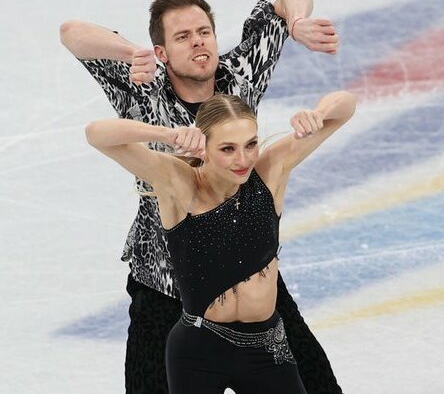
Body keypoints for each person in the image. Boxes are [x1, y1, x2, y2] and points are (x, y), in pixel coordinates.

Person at [60, 0, 343, 394]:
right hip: (165, 287)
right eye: (182, 37)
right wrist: (130, 53)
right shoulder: (143, 84)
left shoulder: (240, 74)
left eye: (203, 32)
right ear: (162, 53)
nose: (198, 43)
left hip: (249, 288)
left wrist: (295, 22)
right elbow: (72, 32)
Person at [84, 90, 356, 393]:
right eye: (228, 149)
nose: (243, 159)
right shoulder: (180, 184)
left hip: (266, 349)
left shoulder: (270, 172)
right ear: (204, 147)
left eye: (250, 144)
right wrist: (167, 134)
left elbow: (346, 105)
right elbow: (96, 134)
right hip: (198, 350)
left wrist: (316, 114)